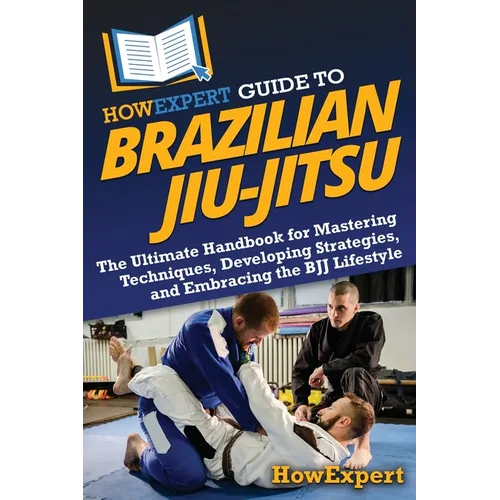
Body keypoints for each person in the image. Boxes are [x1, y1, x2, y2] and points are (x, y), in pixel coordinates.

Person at [122, 348, 375, 490]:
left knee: (184, 474)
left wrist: (247, 362)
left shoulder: (315, 451)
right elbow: (269, 436)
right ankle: (138, 375)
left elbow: (269, 412)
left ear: (343, 422)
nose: (323, 409)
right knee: (211, 386)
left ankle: (139, 439)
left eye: (331, 409)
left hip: (214, 449)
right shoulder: (322, 448)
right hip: (230, 436)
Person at [109, 292, 279, 493]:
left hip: (196, 413)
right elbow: (225, 383)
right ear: (240, 322)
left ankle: (133, 372)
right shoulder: (202, 328)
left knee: (219, 460)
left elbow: (248, 383)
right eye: (257, 337)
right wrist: (258, 424)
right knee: (187, 478)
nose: (258, 343)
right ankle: (139, 448)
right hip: (155, 412)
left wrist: (272, 416)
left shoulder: (243, 341)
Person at [291, 281, 386, 470]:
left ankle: (362, 446)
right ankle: (345, 435)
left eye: (341, 308)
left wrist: (325, 369)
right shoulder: (318, 330)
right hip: (336, 397)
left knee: (355, 372)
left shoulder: (371, 322)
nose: (334, 314)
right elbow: (301, 369)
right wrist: (300, 403)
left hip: (366, 394)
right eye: (330, 307)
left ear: (355, 308)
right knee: (307, 425)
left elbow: (366, 359)